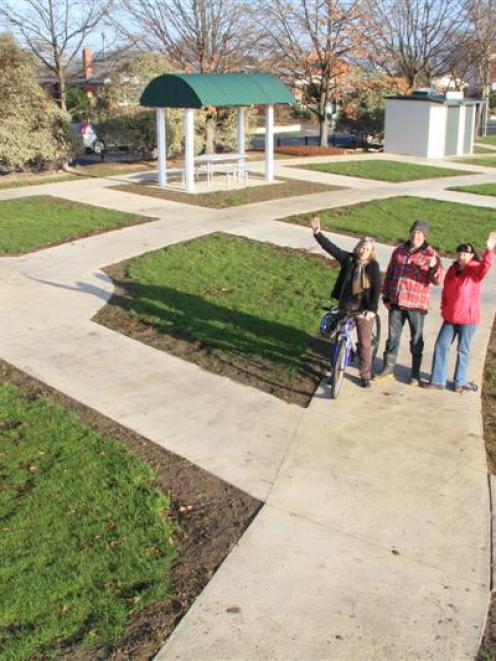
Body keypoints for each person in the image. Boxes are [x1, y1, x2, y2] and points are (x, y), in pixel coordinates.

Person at [311, 216, 381, 388]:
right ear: (357, 248)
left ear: (371, 251)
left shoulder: (373, 267)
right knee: (338, 340)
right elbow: (331, 248)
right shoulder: (348, 260)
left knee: (364, 343)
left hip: (363, 309)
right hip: (346, 306)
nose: (363, 251)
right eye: (361, 247)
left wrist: (372, 310)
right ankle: (335, 372)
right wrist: (317, 233)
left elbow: (376, 290)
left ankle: (365, 374)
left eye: (367, 249)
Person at [422, 232, 496, 393]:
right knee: (441, 345)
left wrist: (489, 251)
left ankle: (459, 383)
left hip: (468, 319)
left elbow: (485, 268)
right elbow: (445, 291)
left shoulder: (475, 270)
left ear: (471, 256)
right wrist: (443, 308)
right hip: (450, 317)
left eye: (466, 254)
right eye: (460, 253)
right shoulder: (452, 270)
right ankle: (437, 380)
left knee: (463, 350)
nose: (462, 256)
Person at [377, 220, 444, 384]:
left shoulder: (431, 254)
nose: (416, 235)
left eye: (420, 233)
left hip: (416, 306)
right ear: (410, 233)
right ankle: (387, 369)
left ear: (425, 236)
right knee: (392, 337)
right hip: (396, 303)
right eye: (414, 232)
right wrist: (385, 296)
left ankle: (415, 373)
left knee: (416, 339)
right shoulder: (399, 251)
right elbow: (390, 274)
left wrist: (434, 267)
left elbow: (437, 280)